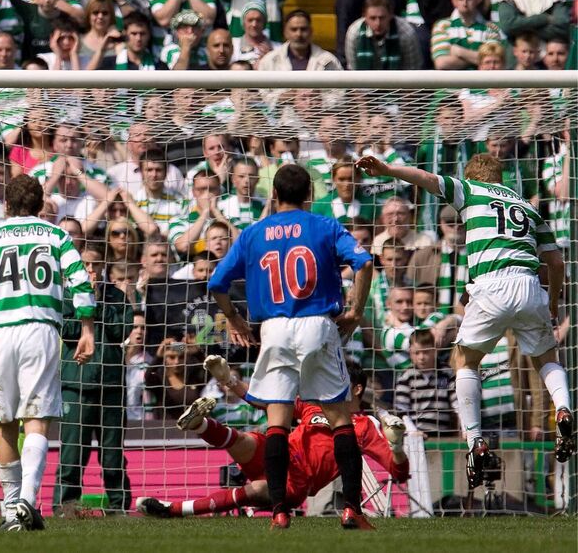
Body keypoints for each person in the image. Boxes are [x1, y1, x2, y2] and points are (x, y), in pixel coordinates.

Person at [356, 153, 575, 489]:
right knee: (547, 359)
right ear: (501, 177)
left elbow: (425, 177)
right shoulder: (527, 207)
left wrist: (386, 170)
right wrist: (554, 302)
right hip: (530, 286)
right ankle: (563, 408)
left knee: (464, 361)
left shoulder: (471, 190)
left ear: (472, 175)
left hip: (490, 283)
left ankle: (475, 442)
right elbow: (557, 262)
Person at [207, 163, 374, 530]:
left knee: (277, 421)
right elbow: (364, 262)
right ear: (309, 195)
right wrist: (357, 312)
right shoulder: (326, 225)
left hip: (274, 328)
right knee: (340, 418)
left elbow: (216, 282)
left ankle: (280, 511)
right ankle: (352, 510)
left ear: (275, 196)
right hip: (317, 323)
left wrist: (235, 320)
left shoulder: (253, 233)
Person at [0, 173, 95, 531]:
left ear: (6, 205)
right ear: (39, 205)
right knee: (38, 420)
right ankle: (28, 503)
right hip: (40, 329)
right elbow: (81, 283)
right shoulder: (56, 235)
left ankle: (10, 510)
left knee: (4, 423)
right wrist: (86, 330)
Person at [136, 359, 409, 518]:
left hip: (298, 481)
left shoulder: (366, 426)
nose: (330, 387)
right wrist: (228, 379)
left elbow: (400, 471)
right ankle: (200, 425)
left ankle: (172, 509)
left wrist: (396, 447)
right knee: (247, 441)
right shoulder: (314, 405)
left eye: (338, 382)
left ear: (357, 388)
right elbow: (265, 402)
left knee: (255, 490)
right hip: (280, 455)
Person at [53, 244, 133, 515]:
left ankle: (118, 508)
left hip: (111, 386)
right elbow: (68, 330)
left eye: (95, 265)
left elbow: (122, 330)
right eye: (85, 265)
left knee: (112, 455)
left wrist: (96, 302)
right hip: (77, 385)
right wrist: (84, 302)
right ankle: (65, 507)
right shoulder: (64, 297)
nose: (91, 270)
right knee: (73, 454)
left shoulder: (117, 296)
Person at [344, 0, 422, 70]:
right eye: (373, 18)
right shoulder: (354, 33)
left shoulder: (406, 33)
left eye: (382, 18)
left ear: (391, 15)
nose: (378, 23)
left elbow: (412, 70)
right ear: (364, 17)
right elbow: (353, 72)